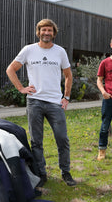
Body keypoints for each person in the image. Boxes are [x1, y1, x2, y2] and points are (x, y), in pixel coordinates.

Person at [6, 19, 76, 187]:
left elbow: (68, 75)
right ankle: (41, 174)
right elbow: (11, 69)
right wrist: (21, 88)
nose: (46, 33)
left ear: (54, 33)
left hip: (54, 103)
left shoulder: (60, 52)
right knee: (36, 141)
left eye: (50, 30)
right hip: (34, 102)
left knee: (62, 139)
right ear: (38, 32)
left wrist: (66, 97)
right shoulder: (28, 50)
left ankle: (66, 172)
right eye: (43, 30)